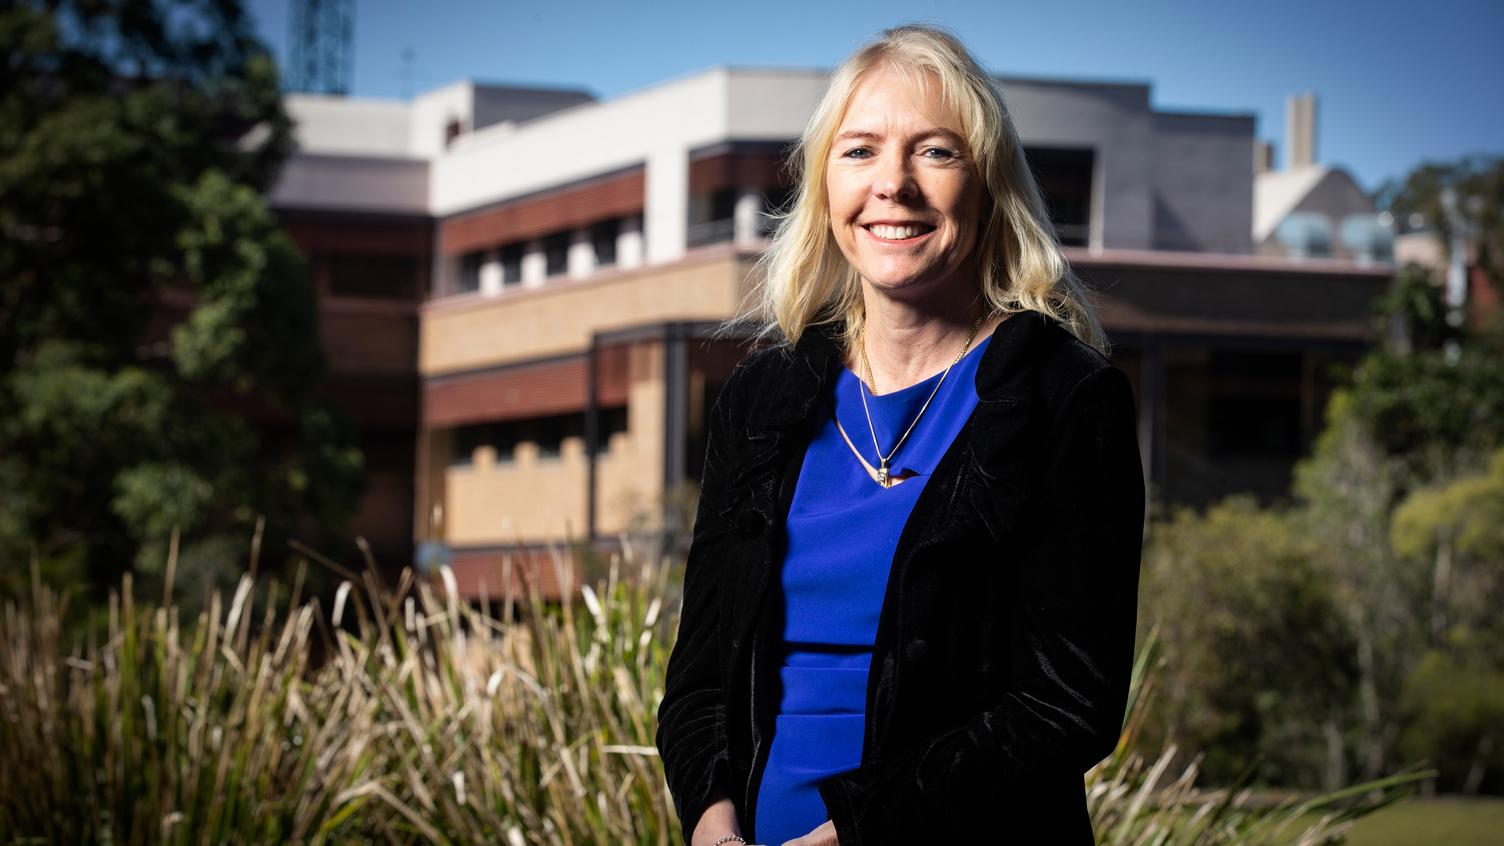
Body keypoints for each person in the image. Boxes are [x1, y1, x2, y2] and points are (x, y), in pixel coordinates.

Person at [656, 24, 1144, 846]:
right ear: (823, 186)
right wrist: (712, 823)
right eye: (860, 152)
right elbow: (701, 679)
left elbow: (1066, 704)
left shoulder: (1065, 398)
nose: (893, 184)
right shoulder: (761, 400)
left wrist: (850, 835)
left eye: (935, 152)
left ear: (987, 185)